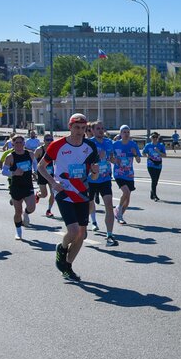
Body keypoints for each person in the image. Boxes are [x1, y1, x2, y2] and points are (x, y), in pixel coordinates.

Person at [37, 113, 99, 281]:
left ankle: (67, 266)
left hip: (81, 192)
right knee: (73, 230)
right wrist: (52, 182)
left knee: (82, 234)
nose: (79, 131)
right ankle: (62, 248)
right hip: (63, 191)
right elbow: (41, 166)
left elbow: (93, 176)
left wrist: (94, 173)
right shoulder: (57, 145)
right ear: (70, 127)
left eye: (83, 128)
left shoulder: (90, 147)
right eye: (76, 128)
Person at [87, 121, 118, 246]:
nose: (100, 130)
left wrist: (114, 160)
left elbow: (112, 158)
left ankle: (109, 234)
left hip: (105, 178)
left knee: (109, 205)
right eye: (98, 128)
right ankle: (92, 222)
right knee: (89, 204)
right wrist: (97, 157)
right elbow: (85, 161)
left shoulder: (109, 142)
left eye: (102, 128)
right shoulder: (89, 143)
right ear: (92, 130)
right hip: (91, 179)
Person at [2, 134, 37, 239]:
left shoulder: (30, 154)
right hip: (16, 187)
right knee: (18, 211)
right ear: (12, 144)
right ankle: (18, 232)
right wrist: (14, 173)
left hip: (28, 185)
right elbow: (4, 171)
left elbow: (35, 164)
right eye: (16, 142)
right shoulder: (10, 157)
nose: (18, 144)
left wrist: (35, 171)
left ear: (24, 143)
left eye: (20, 142)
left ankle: (26, 214)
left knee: (32, 207)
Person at [112, 125, 141, 225]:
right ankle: (119, 211)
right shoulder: (115, 144)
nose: (126, 134)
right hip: (118, 173)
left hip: (129, 174)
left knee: (128, 199)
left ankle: (120, 215)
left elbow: (138, 160)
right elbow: (110, 158)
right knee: (126, 192)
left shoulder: (133, 145)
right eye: (124, 132)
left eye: (128, 132)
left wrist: (135, 154)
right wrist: (115, 160)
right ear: (120, 133)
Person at [34, 134, 56, 218]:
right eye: (47, 139)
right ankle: (38, 195)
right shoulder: (39, 150)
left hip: (51, 174)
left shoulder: (54, 149)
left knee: (53, 193)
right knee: (44, 194)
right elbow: (34, 162)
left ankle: (49, 210)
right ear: (44, 140)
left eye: (51, 139)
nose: (49, 141)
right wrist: (35, 172)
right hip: (42, 174)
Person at [142, 132, 166, 201]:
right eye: (153, 137)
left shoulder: (161, 145)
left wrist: (158, 152)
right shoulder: (148, 145)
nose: (155, 138)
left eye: (156, 137)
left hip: (158, 164)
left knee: (156, 180)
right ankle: (155, 195)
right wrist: (147, 155)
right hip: (150, 164)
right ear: (151, 138)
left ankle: (152, 192)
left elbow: (165, 155)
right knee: (154, 179)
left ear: (158, 138)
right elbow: (143, 153)